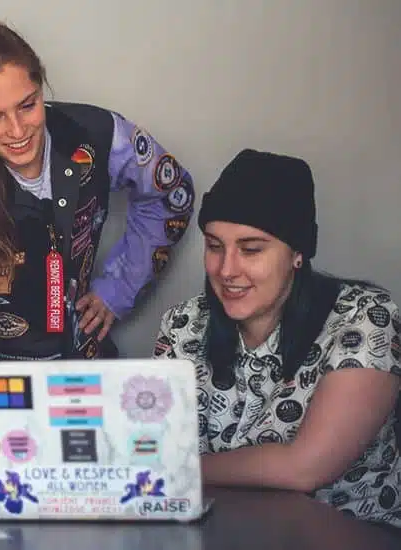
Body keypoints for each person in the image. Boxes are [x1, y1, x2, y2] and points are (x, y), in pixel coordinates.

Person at [0, 20, 196, 398]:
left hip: (89, 366)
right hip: (3, 386)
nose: (17, 129)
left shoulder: (96, 133)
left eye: (27, 105)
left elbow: (172, 193)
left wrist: (118, 289)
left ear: (41, 86)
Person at [153, 149, 401, 527]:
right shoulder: (184, 323)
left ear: (297, 253)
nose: (227, 269)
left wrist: (181, 469)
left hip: (352, 537)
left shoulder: (364, 319)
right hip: (227, 534)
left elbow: (306, 468)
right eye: (215, 246)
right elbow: (156, 447)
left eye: (251, 249)